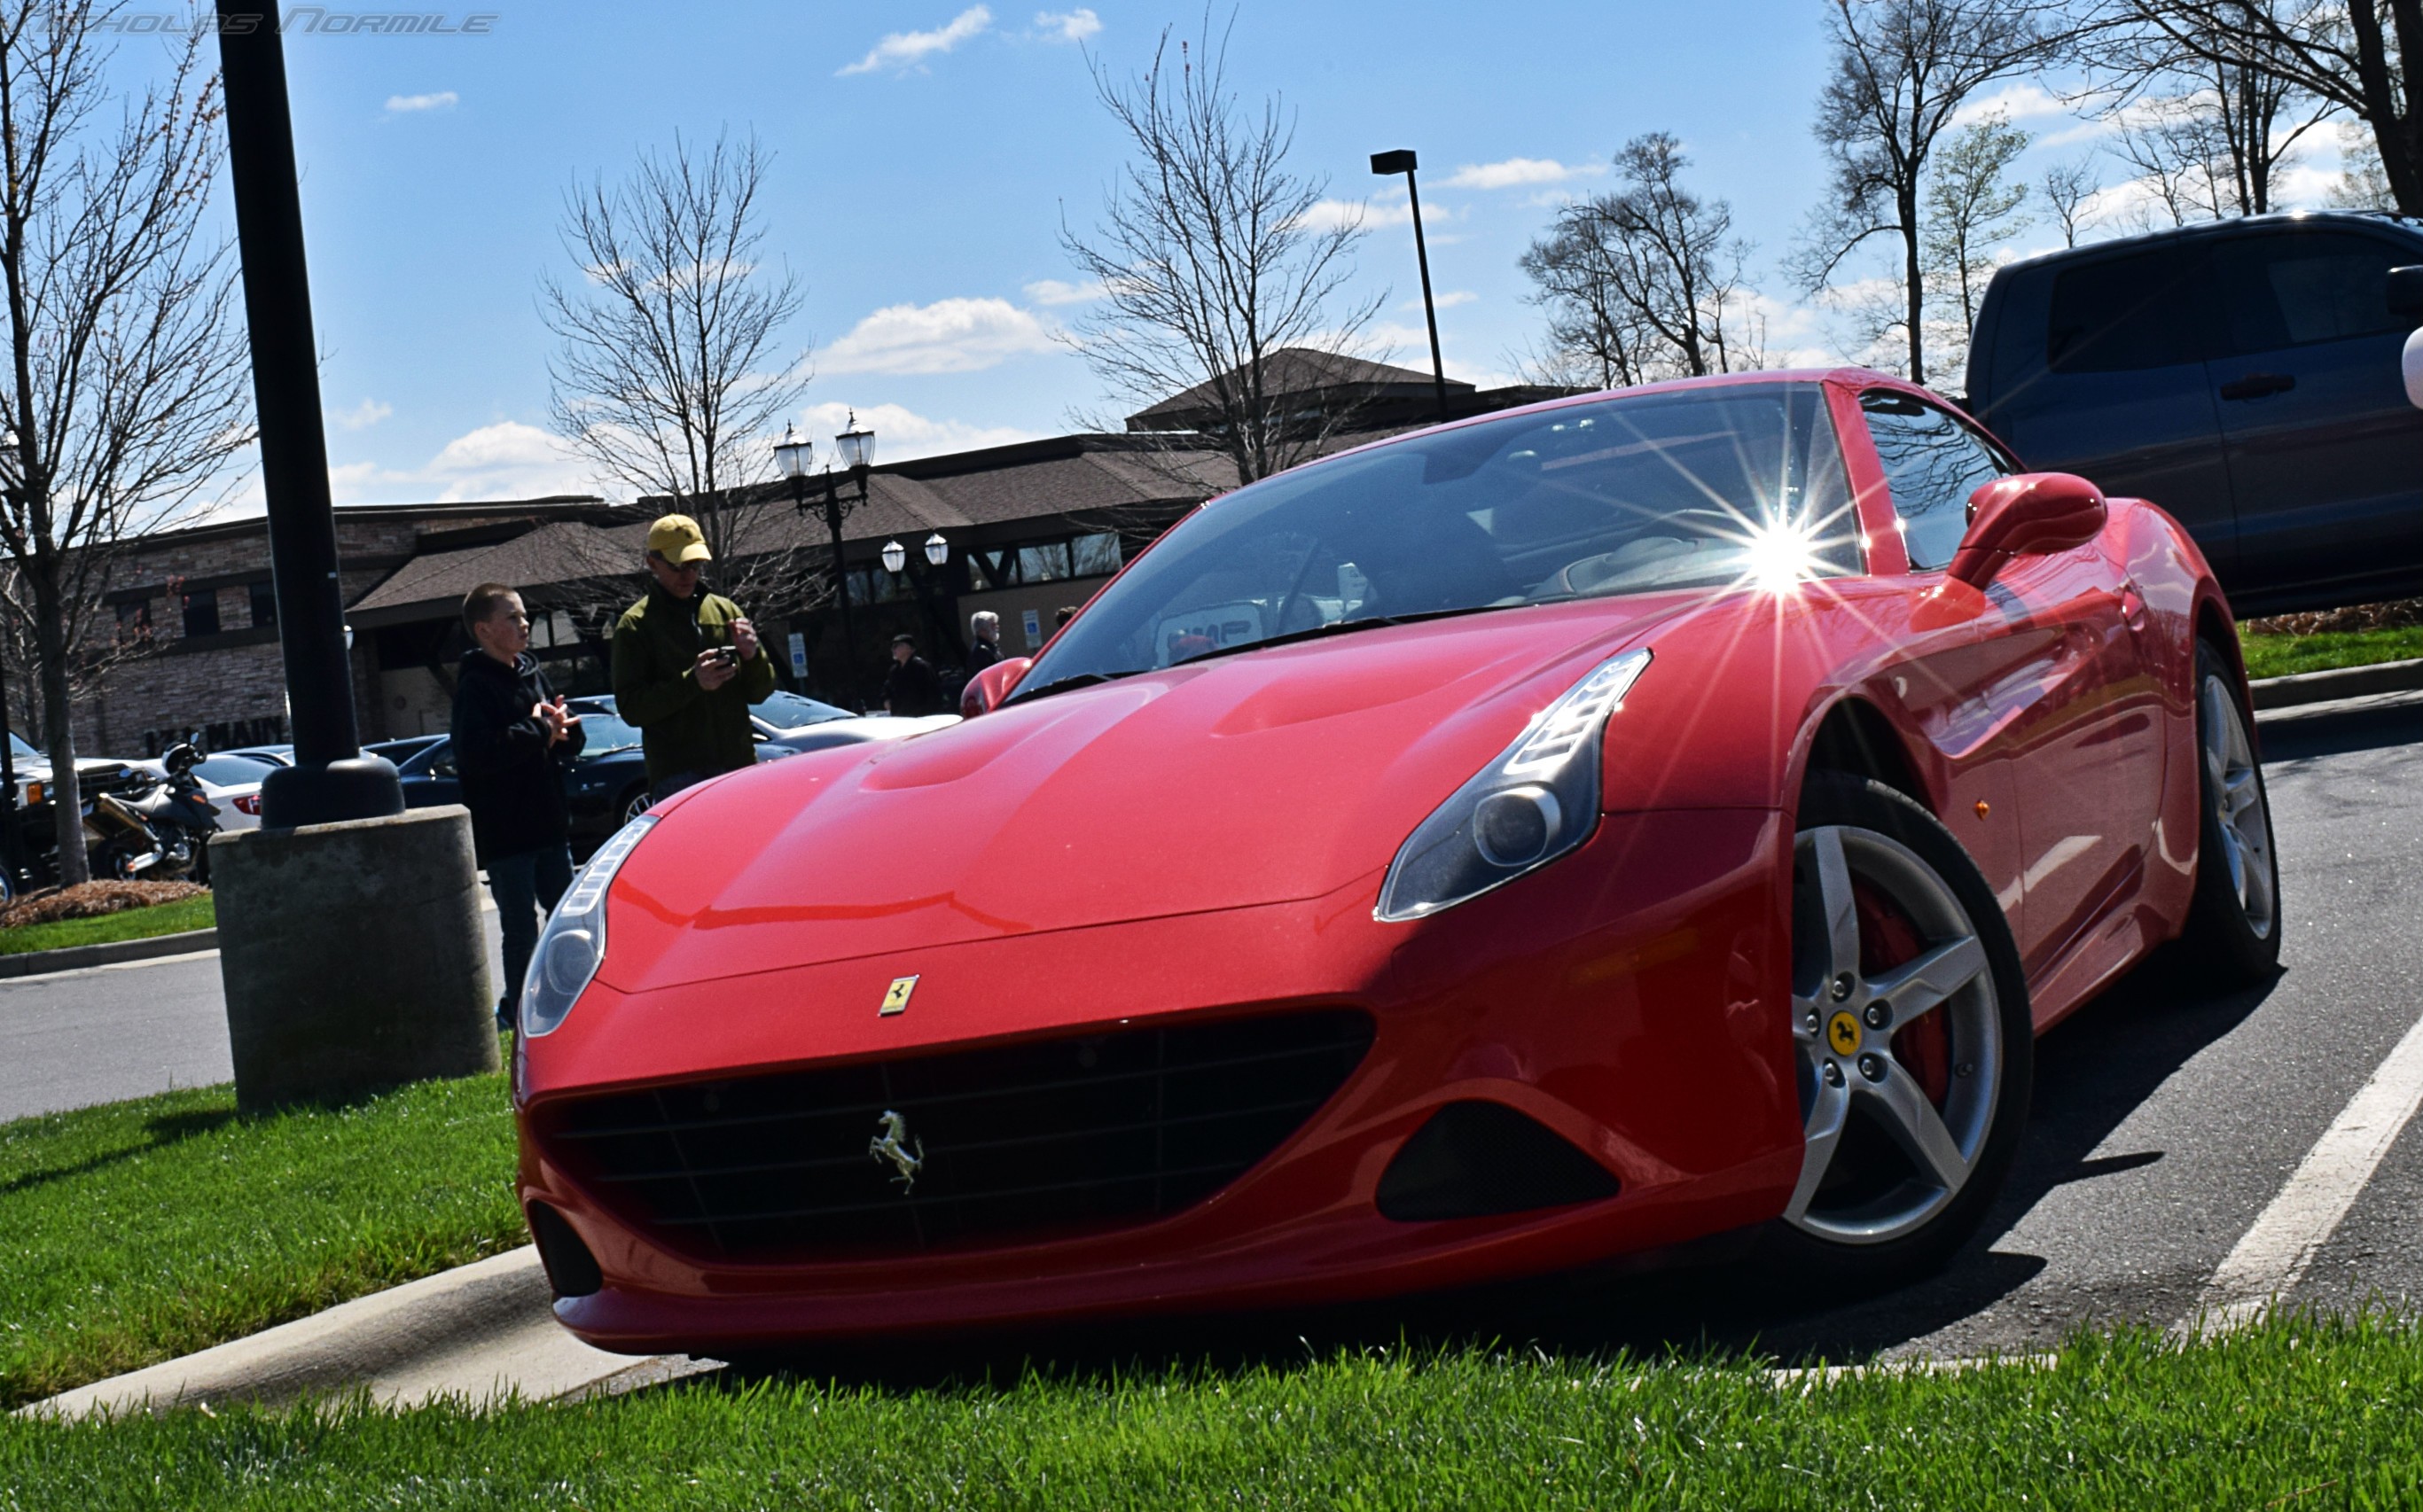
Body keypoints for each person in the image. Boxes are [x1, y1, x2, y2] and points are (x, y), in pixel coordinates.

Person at [451, 582, 585, 1032]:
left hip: (548, 822)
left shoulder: (531, 673)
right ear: (485, 630)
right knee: (521, 928)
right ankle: (520, 1011)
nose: (524, 624)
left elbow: (554, 738)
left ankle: (568, 1000)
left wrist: (565, 731)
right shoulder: (474, 687)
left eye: (524, 615)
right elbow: (476, 755)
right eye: (512, 618)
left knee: (565, 920)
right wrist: (537, 730)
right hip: (508, 833)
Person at [611, 513, 775, 803]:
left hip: (738, 766)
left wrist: (753, 657)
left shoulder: (726, 612)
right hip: (678, 777)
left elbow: (760, 692)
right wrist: (693, 682)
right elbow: (631, 708)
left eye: (695, 565)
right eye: (677, 566)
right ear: (653, 563)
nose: (688, 575)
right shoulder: (635, 625)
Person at [883, 633, 946, 716]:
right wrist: (886, 700)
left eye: (898, 646)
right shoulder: (894, 671)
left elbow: (933, 694)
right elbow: (887, 689)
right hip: (899, 717)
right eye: (893, 646)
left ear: (910, 649)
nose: (894, 649)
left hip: (920, 717)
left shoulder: (921, 667)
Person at [965, 610, 1004, 676]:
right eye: (993, 625)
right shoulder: (981, 651)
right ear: (982, 630)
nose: (997, 627)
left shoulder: (991, 647)